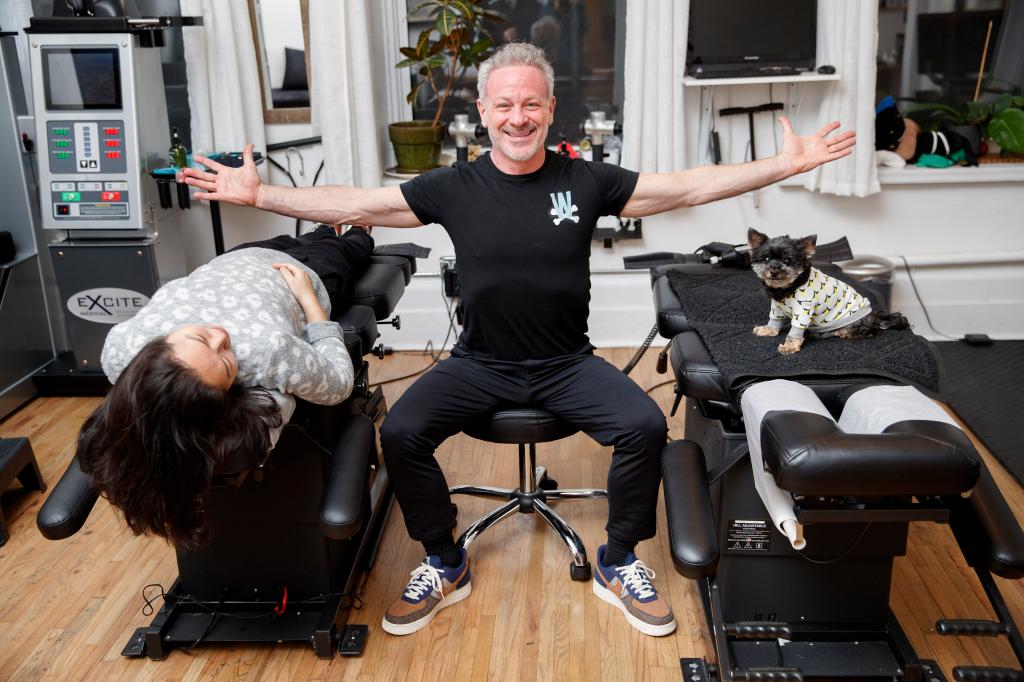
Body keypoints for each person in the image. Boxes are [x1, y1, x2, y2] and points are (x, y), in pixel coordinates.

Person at [180, 43, 855, 637]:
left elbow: (682, 189)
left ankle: (618, 561)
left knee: (645, 425)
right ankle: (444, 560)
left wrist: (780, 167)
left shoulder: (586, 178)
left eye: (530, 105)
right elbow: (361, 204)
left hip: (566, 364)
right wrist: (262, 192)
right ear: (483, 110)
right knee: (403, 431)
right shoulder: (454, 187)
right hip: (480, 364)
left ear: (550, 109)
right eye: (505, 105)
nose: (518, 118)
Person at [76, 226, 374, 548]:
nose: (222, 336)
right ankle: (357, 230)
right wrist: (307, 298)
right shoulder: (269, 351)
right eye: (228, 363)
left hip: (238, 257)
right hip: (303, 272)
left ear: (157, 348)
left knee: (319, 229)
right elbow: (340, 382)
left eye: (200, 337)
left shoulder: (122, 348)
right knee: (349, 243)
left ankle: (328, 227)